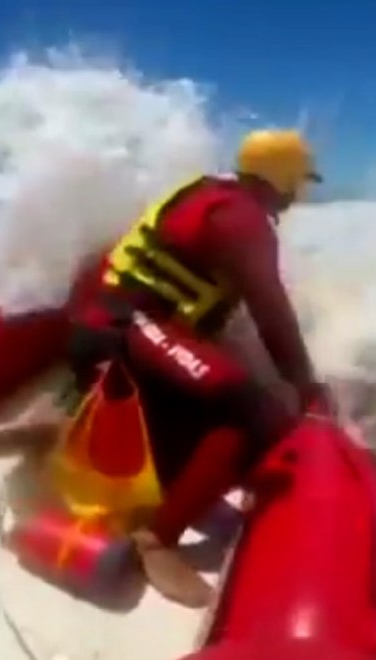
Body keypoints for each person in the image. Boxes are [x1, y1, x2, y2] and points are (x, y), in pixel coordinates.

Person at [63, 128, 331, 608]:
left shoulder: (206, 190)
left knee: (213, 411)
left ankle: (79, 428)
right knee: (258, 414)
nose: (298, 196)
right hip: (123, 331)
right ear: (284, 178)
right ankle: (157, 540)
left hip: (109, 329)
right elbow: (272, 312)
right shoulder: (242, 221)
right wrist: (304, 385)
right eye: (299, 183)